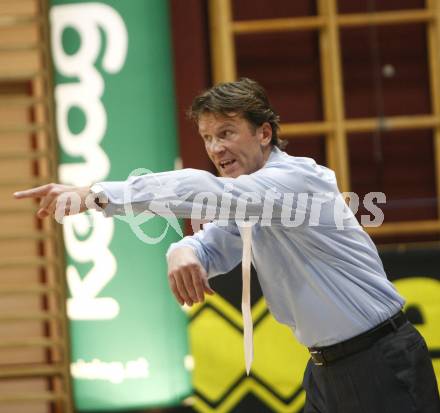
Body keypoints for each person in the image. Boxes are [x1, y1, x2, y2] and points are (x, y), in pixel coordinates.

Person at [14, 78, 440, 413]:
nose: (215, 148)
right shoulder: (252, 197)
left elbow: (202, 190)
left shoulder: (297, 183)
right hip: (327, 369)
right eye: (207, 137)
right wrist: (180, 251)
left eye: (227, 133)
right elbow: (216, 240)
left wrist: (93, 194)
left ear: (264, 133)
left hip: (379, 363)